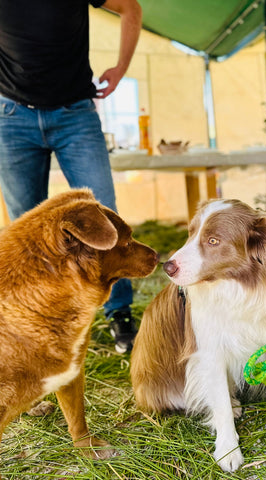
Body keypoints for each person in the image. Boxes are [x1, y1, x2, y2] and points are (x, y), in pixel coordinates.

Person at [0, 0, 143, 353]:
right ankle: (40, 320)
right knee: (26, 230)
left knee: (107, 217)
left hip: (75, 115)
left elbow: (131, 8)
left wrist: (121, 67)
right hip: (11, 116)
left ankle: (119, 311)